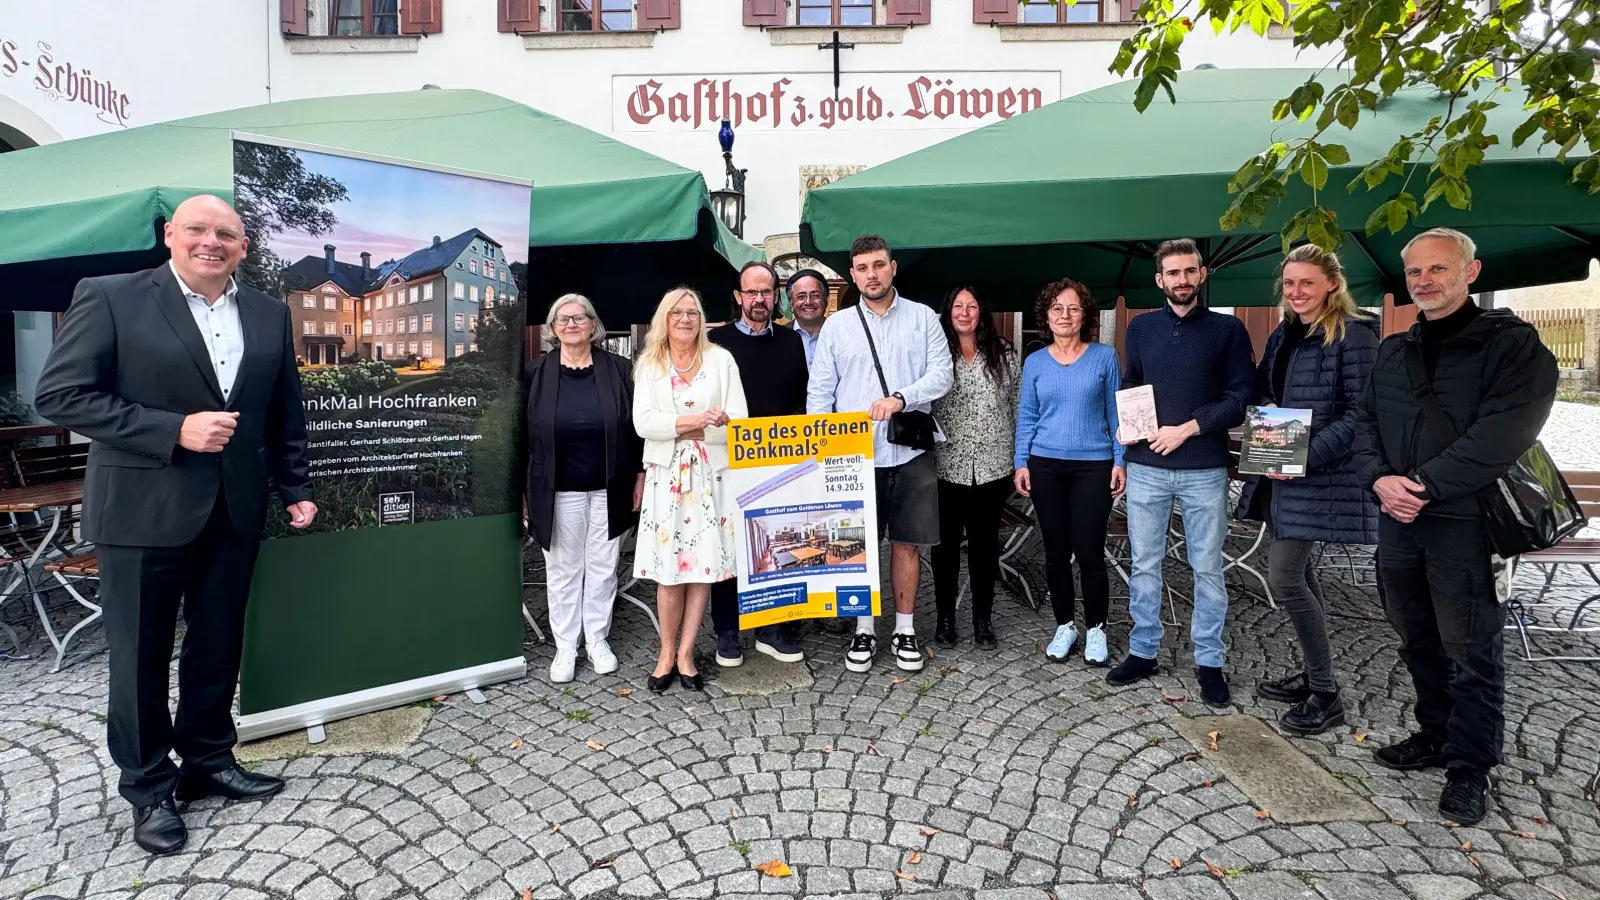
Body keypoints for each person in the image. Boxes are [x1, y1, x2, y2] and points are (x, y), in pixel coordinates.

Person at [34, 195, 317, 856]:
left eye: (226, 233)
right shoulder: (110, 297)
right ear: (171, 236)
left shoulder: (270, 315)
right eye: (197, 229)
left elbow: (285, 412)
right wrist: (174, 430)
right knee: (138, 658)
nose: (210, 241)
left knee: (216, 643)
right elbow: (62, 395)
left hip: (234, 507)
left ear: (243, 247)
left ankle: (208, 759)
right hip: (139, 511)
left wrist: (296, 487)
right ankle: (148, 788)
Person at [1352, 228, 1557, 826]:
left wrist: (1424, 486)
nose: (1423, 281)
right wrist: (1380, 481)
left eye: (1437, 269)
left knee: (1471, 646)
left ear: (1471, 272)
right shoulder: (1393, 350)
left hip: (1465, 522)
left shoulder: (1512, 347)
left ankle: (1471, 765)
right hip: (1398, 519)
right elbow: (1366, 423)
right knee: (1416, 635)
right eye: (1414, 272)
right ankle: (1435, 732)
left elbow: (1504, 434)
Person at [1235, 245, 1379, 735]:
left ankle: (1326, 694)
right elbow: (1260, 387)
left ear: (1332, 285)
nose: (1296, 293)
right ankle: (1318, 676)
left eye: (1307, 283)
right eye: (1290, 284)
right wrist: (1267, 402)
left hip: (1318, 477)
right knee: (1302, 576)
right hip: (1280, 471)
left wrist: (1304, 455)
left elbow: (1362, 415)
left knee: (1285, 579)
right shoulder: (1285, 333)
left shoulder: (1355, 336)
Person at [1111, 238, 1254, 706]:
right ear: (1160, 280)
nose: (1182, 280)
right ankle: (1143, 650)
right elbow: (1133, 385)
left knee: (1207, 569)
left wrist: (1188, 428)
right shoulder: (1141, 329)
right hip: (1147, 466)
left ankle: (1209, 661)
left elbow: (1239, 401)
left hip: (1203, 468)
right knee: (1144, 565)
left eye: (1189, 271)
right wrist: (1128, 428)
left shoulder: (1228, 331)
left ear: (1202, 274)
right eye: (1173, 273)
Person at [807, 234, 953, 672]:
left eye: (878, 265)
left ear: (893, 267)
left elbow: (942, 375)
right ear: (853, 275)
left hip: (909, 451)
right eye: (862, 268)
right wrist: (824, 447)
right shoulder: (837, 326)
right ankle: (865, 629)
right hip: (854, 455)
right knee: (854, 546)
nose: (871, 274)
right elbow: (820, 392)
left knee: (907, 544)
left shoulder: (923, 318)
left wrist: (901, 397)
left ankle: (904, 629)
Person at [632, 287, 749, 692]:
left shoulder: (721, 360)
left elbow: (738, 419)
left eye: (693, 313)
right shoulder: (650, 364)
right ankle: (666, 652)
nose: (685, 319)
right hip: (667, 477)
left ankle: (687, 653)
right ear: (664, 319)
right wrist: (696, 420)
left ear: (702, 319)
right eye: (677, 312)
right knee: (669, 571)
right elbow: (643, 423)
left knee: (702, 568)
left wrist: (685, 425)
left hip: (710, 476)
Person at [526, 293, 645, 684]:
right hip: (557, 490)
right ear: (552, 328)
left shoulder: (621, 370)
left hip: (611, 487)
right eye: (563, 319)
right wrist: (522, 490)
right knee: (562, 569)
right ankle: (565, 646)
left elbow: (637, 429)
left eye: (580, 318)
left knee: (603, 566)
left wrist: (641, 475)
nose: (572, 324)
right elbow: (520, 436)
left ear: (594, 325)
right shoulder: (535, 374)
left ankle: (596, 639)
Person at [1014, 279, 1126, 666]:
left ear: (1086, 315)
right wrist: (1020, 462)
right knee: (1055, 551)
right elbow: (1027, 416)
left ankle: (1096, 627)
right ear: (1046, 316)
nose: (1065, 315)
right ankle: (1065, 624)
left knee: (1091, 550)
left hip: (1093, 466)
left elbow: (1117, 414)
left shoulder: (1105, 357)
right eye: (1057, 308)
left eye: (1073, 308)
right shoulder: (1035, 362)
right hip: (1045, 465)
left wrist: (1120, 459)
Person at [708, 262, 810, 667]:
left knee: (773, 545)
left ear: (776, 296)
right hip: (728, 461)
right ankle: (727, 632)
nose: (759, 300)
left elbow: (803, 402)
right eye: (751, 292)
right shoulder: (715, 343)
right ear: (738, 296)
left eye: (766, 292)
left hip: (778, 464)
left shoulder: (791, 342)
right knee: (730, 548)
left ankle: (770, 629)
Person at [930, 287, 1018, 650]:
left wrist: (1019, 460)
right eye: (957, 306)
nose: (964, 313)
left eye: (972, 306)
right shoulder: (935, 355)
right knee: (945, 549)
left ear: (983, 312)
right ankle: (945, 618)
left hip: (993, 468)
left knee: (985, 550)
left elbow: (1017, 408)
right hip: (945, 467)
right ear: (948, 312)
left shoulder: (1005, 356)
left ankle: (983, 618)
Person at [788, 268, 829, 366]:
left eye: (815, 295)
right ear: (791, 303)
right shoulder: (777, 338)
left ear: (826, 300)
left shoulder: (841, 335)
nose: (808, 302)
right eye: (801, 296)